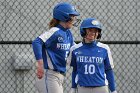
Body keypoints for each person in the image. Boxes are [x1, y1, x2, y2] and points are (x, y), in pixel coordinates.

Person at [32, 2, 80, 93]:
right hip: (49, 75)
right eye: (72, 16)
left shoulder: (68, 33)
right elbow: (36, 42)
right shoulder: (55, 31)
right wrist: (40, 65)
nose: (74, 19)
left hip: (59, 76)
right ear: (64, 16)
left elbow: (75, 50)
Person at [69, 18, 117, 93]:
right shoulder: (75, 49)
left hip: (101, 87)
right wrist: (73, 87)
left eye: (96, 31)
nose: (93, 33)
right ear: (83, 31)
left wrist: (113, 89)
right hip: (83, 88)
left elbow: (109, 70)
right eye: (90, 30)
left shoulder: (104, 48)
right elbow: (75, 70)